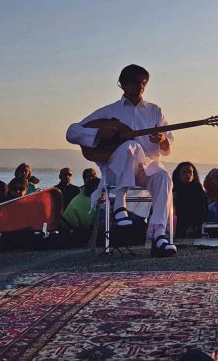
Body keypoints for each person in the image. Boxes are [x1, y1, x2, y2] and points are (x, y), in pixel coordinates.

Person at [66, 64, 177, 257]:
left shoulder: (155, 111)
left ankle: (159, 235)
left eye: (143, 83)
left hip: (145, 168)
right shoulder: (109, 111)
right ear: (123, 84)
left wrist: (162, 140)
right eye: (135, 82)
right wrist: (98, 133)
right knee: (130, 146)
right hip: (116, 171)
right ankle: (120, 203)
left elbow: (168, 147)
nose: (140, 86)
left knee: (163, 176)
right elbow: (72, 132)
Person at [172, 162, 207, 237]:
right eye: (184, 172)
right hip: (178, 226)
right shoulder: (173, 189)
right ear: (178, 174)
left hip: (196, 226)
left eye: (190, 172)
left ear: (194, 174)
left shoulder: (198, 189)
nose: (187, 175)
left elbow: (203, 210)